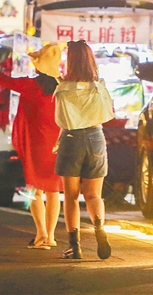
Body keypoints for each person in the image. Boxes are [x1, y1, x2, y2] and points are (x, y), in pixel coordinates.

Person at [0, 44, 62, 250]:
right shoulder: (63, 88)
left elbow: (3, 80)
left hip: (35, 144)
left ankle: (41, 234)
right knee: (53, 191)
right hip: (57, 145)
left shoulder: (31, 85)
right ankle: (51, 236)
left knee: (35, 190)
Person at [54, 40, 113, 260]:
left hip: (71, 139)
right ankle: (99, 230)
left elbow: (60, 119)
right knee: (94, 195)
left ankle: (75, 246)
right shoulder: (99, 87)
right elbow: (109, 113)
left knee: (71, 197)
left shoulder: (63, 88)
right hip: (96, 138)